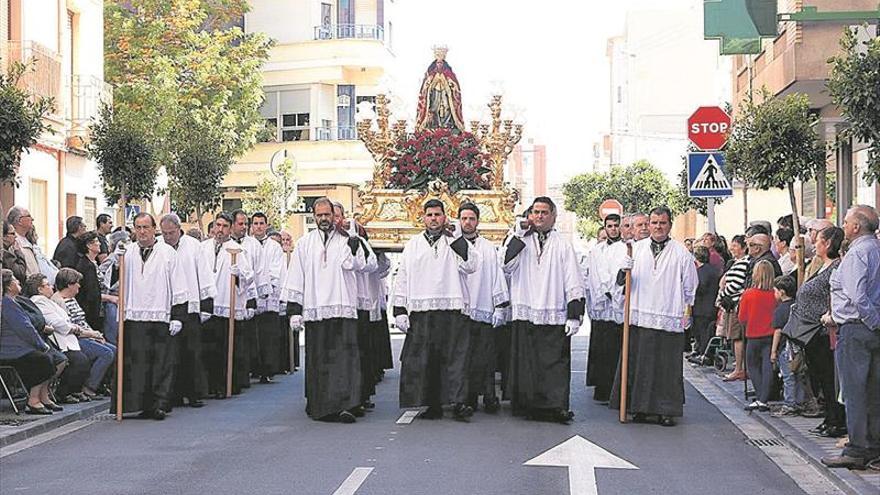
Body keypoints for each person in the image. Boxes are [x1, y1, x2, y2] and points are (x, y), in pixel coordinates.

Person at [282, 198, 368, 423]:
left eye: (327, 215)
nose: (323, 219)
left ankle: (347, 405)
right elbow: (295, 277)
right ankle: (321, 406)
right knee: (319, 360)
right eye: (319, 215)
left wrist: (353, 240)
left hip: (342, 308)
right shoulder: (304, 243)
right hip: (316, 309)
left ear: (334, 215)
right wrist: (294, 310)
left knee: (345, 360)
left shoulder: (346, 240)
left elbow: (360, 265)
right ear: (314, 216)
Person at [393, 199, 478, 421]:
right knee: (425, 360)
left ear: (445, 217)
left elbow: (471, 265)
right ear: (423, 217)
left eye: (438, 214)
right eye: (429, 215)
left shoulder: (455, 241)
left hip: (451, 308)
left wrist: (456, 238)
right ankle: (432, 404)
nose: (433, 219)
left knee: (455, 359)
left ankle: (459, 403)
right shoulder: (413, 245)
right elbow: (402, 277)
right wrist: (399, 309)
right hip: (422, 310)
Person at [611, 206, 696, 427]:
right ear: (649, 224)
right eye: (654, 222)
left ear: (669, 225)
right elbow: (621, 284)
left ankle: (666, 410)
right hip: (640, 315)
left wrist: (685, 313)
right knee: (641, 365)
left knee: (666, 369)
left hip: (668, 315)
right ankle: (639, 408)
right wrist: (624, 271)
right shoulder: (635, 250)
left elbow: (689, 287)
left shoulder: (681, 253)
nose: (658, 227)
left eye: (663, 223)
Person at [503, 197, 584, 424]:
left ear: (553, 216)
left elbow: (573, 279)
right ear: (529, 215)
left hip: (552, 309)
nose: (539, 216)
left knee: (554, 363)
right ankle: (527, 405)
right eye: (535, 212)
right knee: (526, 362)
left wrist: (574, 314)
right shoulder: (519, 239)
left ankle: (555, 406)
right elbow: (507, 266)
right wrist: (518, 235)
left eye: (544, 212)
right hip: (526, 310)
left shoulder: (563, 243)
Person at [111, 213, 187, 419]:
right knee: (136, 363)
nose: (142, 232)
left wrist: (178, 316)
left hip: (160, 314)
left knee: (160, 364)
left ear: (155, 229)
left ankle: (158, 404)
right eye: (138, 227)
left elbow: (179, 285)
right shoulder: (127, 252)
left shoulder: (168, 253)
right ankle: (134, 404)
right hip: (134, 315)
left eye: (146, 227)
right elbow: (116, 283)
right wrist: (116, 261)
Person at [823, 206, 880, 469]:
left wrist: (872, 321)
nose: (843, 226)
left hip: (857, 328)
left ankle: (858, 449)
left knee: (855, 390)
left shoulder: (858, 252)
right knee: (872, 390)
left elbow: (857, 296)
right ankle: (872, 444)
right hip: (868, 328)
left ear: (857, 227)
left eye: (846, 222)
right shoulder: (875, 248)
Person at [160, 213, 215, 408]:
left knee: (191, 353)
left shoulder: (194, 247)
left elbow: (204, 275)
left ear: (178, 229)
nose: (168, 237)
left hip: (191, 306)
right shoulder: (159, 247)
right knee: (170, 355)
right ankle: (171, 395)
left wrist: (207, 303)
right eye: (164, 233)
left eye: (171, 233)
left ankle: (194, 393)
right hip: (168, 308)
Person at [457, 203, 508, 413]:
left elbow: (497, 276)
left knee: (485, 356)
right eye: (464, 219)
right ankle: (466, 397)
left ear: (477, 221)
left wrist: (500, 306)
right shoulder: (452, 245)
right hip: (460, 310)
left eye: (471, 218)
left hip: (483, 306)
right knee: (463, 357)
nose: (467, 222)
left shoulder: (487, 247)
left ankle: (488, 396)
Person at [198, 212, 255, 398]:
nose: (220, 230)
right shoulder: (203, 247)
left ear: (230, 229)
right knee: (209, 349)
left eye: (224, 226)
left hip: (227, 303)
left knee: (226, 348)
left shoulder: (236, 250)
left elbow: (248, 277)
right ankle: (210, 386)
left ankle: (228, 384)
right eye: (217, 225)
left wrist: (238, 274)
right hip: (208, 305)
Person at [25, 273, 92, 404]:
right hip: (59, 338)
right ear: (39, 289)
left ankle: (66, 391)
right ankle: (62, 392)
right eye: (47, 285)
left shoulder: (48, 301)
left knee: (84, 358)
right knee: (78, 360)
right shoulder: (39, 301)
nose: (51, 287)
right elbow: (56, 322)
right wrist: (75, 328)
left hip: (68, 335)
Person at [52, 268, 116, 400]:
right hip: (75, 338)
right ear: (69, 284)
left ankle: (97, 384)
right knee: (106, 353)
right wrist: (92, 335)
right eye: (77, 283)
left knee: (113, 349)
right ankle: (89, 387)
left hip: (86, 334)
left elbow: (82, 321)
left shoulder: (72, 299)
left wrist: (96, 335)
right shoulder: (60, 302)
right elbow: (70, 327)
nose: (79, 286)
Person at [0, 269, 58, 415]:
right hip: (11, 350)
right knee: (43, 360)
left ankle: (43, 396)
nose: (18, 281)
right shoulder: (7, 304)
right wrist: (40, 344)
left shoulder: (14, 301)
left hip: (20, 347)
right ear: (7, 286)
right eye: (14, 279)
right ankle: (33, 400)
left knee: (52, 357)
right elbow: (25, 328)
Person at [584, 213, 625, 403]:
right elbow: (592, 275)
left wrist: (613, 291)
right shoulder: (596, 251)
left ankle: (614, 389)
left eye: (616, 225)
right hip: (600, 305)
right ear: (605, 227)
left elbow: (621, 275)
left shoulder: (626, 248)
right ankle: (600, 388)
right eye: (609, 226)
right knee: (601, 349)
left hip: (616, 305)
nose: (613, 229)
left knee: (615, 349)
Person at [769, 275, 815, 417]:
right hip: (798, 346)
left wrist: (773, 350)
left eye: (775, 291)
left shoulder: (780, 310)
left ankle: (790, 404)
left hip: (786, 348)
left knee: (788, 376)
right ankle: (800, 401)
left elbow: (778, 331)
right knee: (799, 374)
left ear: (781, 292)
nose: (774, 294)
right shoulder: (797, 306)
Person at [738, 260, 778, 412]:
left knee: (752, 366)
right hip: (770, 334)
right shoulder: (775, 295)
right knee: (768, 365)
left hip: (753, 335)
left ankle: (761, 395)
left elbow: (742, 318)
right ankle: (764, 398)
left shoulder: (748, 294)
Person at [250, 212, 285, 384]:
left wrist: (267, 285)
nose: (258, 226)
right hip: (251, 293)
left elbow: (276, 269)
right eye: (255, 223)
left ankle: (268, 369)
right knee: (253, 334)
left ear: (266, 225)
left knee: (268, 334)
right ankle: (254, 368)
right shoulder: (247, 245)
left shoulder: (274, 246)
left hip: (269, 295)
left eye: (261, 223)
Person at [230, 209, 262, 385]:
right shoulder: (228, 245)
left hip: (247, 293)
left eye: (245, 224)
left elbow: (257, 271)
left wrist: (255, 299)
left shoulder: (253, 244)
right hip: (228, 297)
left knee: (245, 339)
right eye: (240, 224)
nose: (243, 227)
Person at [718, 235, 750, 381]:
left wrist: (722, 293)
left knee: (737, 337)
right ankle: (739, 366)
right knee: (734, 337)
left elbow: (736, 284)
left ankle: (739, 369)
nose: (732, 248)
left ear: (744, 248)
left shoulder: (743, 263)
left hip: (736, 303)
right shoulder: (737, 262)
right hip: (732, 304)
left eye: (735, 245)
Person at [690, 245, 721, 362]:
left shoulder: (701, 271)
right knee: (705, 331)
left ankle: (704, 354)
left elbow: (700, 287)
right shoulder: (713, 270)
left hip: (702, 307)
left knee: (702, 332)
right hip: (710, 306)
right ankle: (702, 352)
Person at [74, 232, 105, 333]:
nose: (99, 243)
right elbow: (92, 294)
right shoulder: (86, 266)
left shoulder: (93, 263)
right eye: (96, 241)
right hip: (91, 312)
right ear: (88, 245)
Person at [2, 220, 27, 285]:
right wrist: (18, 252)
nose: (15, 236)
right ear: (4, 237)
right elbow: (20, 273)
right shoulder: (5, 254)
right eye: (12, 234)